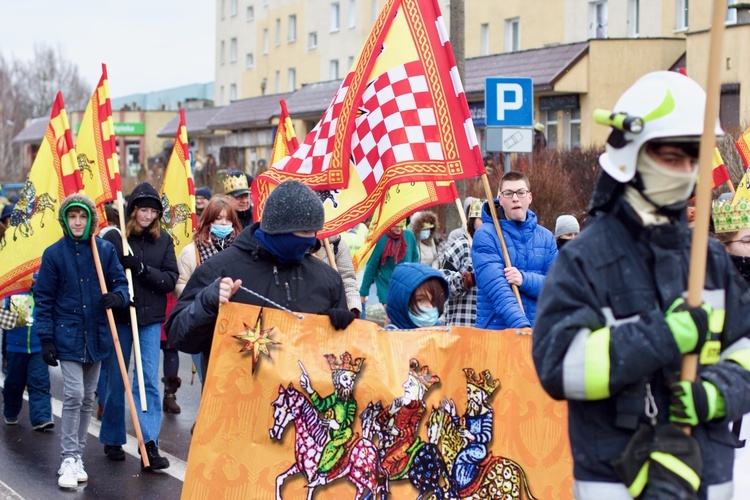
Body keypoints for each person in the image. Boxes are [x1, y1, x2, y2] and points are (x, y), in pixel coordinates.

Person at [532, 71, 750, 499]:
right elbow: (559, 366)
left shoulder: (709, 260)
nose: (686, 172)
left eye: (694, 160)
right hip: (617, 481)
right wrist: (663, 335)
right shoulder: (585, 261)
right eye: (672, 158)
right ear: (630, 154)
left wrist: (716, 393)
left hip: (707, 479)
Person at [165, 180, 356, 377]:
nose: (310, 240)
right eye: (305, 232)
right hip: (238, 401)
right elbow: (179, 335)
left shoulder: (327, 278)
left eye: (314, 232)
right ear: (279, 228)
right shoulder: (220, 269)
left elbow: (341, 361)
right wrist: (207, 303)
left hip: (300, 401)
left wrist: (341, 328)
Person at [32, 193, 129, 488]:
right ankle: (68, 457)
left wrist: (117, 297)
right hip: (68, 334)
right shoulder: (54, 254)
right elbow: (44, 298)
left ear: (91, 220)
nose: (78, 221)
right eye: (72, 216)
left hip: (97, 335)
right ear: (65, 219)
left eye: (83, 216)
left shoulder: (104, 251)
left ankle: (78, 456)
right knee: (73, 395)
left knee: (88, 397)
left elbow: (120, 283)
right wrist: (46, 338)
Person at [100, 182, 177, 471]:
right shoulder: (115, 237)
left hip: (149, 319)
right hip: (121, 315)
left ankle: (149, 444)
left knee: (146, 381)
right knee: (116, 378)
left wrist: (141, 269)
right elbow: (103, 274)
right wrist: (118, 280)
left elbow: (170, 279)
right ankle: (112, 437)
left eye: (152, 211)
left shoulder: (164, 240)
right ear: (132, 211)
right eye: (143, 209)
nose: (147, 216)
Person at [471, 171, 557, 330]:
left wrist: (524, 279)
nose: (515, 198)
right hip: (498, 333)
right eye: (508, 193)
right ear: (500, 199)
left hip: (538, 333)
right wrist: (521, 326)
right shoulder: (486, 235)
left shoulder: (546, 237)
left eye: (521, 192)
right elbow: (497, 289)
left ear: (529, 197)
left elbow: (557, 287)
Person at [174, 196, 242, 386]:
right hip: (203, 323)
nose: (223, 223)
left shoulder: (241, 250)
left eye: (228, 219)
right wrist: (203, 297)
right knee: (210, 382)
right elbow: (180, 284)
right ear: (208, 221)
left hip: (235, 326)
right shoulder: (192, 251)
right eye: (218, 219)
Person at [299, 352, 364, 486]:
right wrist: (310, 389)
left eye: (351, 381)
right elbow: (321, 406)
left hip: (344, 433)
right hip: (329, 431)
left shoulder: (351, 402)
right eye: (346, 380)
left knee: (332, 446)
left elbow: (349, 420)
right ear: (337, 379)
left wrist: (337, 425)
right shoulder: (334, 397)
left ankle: (322, 474)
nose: (349, 384)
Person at [2, 278, 53, 430]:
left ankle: (41, 418)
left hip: (38, 346)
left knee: (40, 381)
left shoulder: (43, 289)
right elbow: (4, 318)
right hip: (15, 346)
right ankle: (10, 411)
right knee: (14, 383)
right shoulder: (12, 289)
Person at [376, 358, 439, 478]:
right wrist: (391, 411)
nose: (405, 386)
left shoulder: (418, 409)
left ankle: (382, 480)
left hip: (404, 442)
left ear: (418, 390)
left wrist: (398, 432)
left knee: (386, 463)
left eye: (410, 384)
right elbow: (379, 421)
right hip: (387, 440)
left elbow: (412, 428)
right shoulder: (399, 403)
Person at [444, 368, 501, 492]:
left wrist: (472, 436)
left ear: (483, 396)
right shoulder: (470, 412)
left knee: (461, 457)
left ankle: (460, 488)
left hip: (478, 449)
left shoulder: (486, 413)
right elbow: (461, 429)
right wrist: (453, 415)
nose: (471, 396)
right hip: (468, 446)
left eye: (475, 393)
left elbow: (487, 436)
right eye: (469, 392)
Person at [359, 221, 419, 314]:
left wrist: (414, 276)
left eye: (401, 226)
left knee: (403, 317)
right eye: (395, 226)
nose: (398, 229)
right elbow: (372, 266)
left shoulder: (409, 236)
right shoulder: (381, 239)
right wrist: (364, 291)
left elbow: (415, 258)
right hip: (386, 285)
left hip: (405, 284)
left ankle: (390, 328)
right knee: (392, 315)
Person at [441, 199, 484, 326]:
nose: (486, 223)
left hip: (487, 326)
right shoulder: (461, 245)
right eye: (481, 218)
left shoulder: (498, 249)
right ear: (471, 221)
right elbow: (441, 282)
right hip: (462, 322)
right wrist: (464, 281)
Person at [385, 262, 448, 330]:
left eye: (434, 300)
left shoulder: (441, 333)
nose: (430, 307)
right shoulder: (388, 337)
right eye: (420, 300)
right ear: (400, 301)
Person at [313, 234, 362, 318]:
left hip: (332, 313)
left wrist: (353, 308)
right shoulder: (295, 242)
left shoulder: (337, 242)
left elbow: (347, 279)